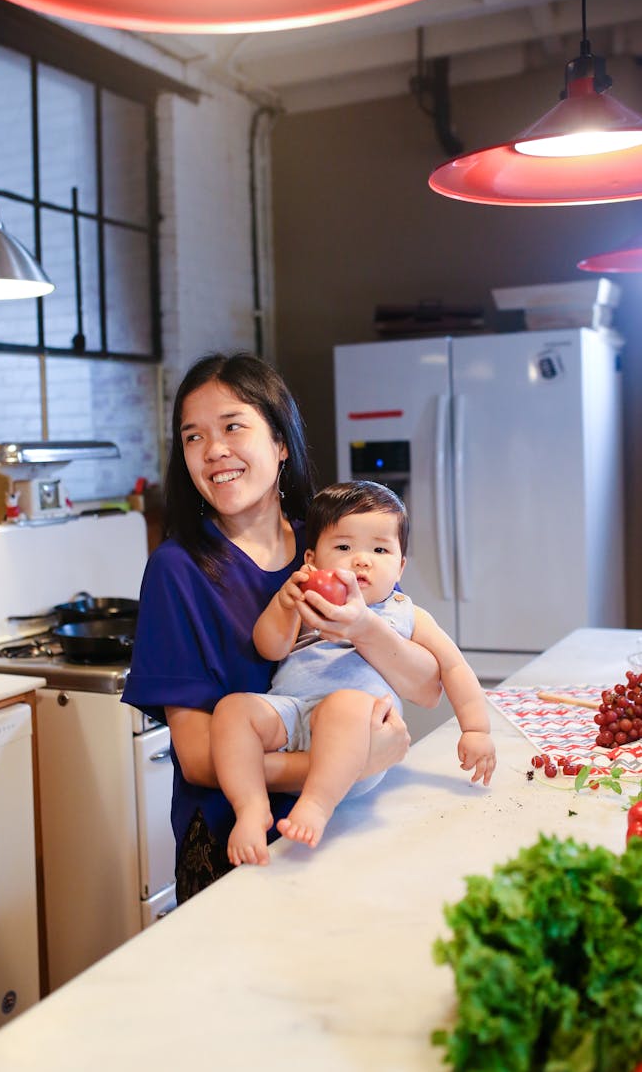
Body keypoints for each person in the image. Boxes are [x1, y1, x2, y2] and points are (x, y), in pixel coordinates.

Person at [122, 353, 442, 903]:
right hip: (239, 846)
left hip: (344, 823)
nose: (214, 450)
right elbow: (200, 761)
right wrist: (348, 762)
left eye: (232, 426)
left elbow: (427, 686)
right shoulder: (178, 569)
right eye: (193, 437)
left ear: (281, 442)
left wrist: (365, 629)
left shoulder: (331, 546)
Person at [211, 480, 496, 867]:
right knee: (232, 710)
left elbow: (453, 666)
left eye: (380, 549)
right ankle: (251, 808)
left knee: (343, 704)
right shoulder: (309, 599)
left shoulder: (406, 614)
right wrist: (284, 605)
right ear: (311, 560)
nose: (362, 560)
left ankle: (316, 803)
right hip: (292, 713)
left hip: (358, 736)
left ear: (401, 564)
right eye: (344, 547)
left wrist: (476, 729)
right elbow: (270, 648)